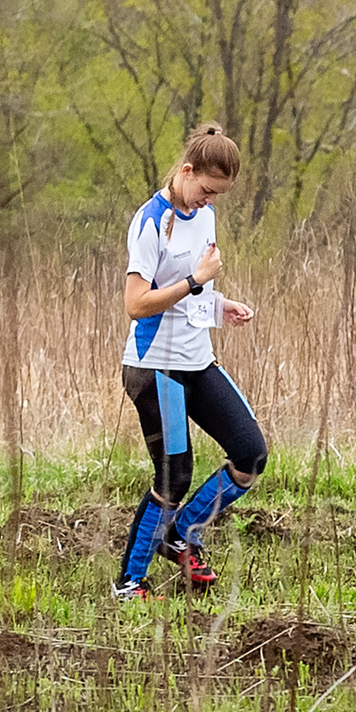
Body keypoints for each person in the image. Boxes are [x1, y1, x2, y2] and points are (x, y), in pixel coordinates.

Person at [113, 123, 268, 599]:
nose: (210, 201)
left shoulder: (205, 216)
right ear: (186, 172)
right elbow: (137, 304)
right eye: (206, 190)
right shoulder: (150, 222)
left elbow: (191, 293)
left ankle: (180, 534)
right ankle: (129, 584)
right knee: (174, 476)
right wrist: (198, 282)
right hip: (154, 366)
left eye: (218, 194)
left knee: (250, 455)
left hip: (198, 360)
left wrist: (220, 306)